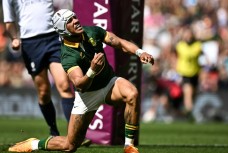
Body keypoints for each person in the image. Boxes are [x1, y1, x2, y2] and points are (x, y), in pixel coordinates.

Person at [8, 9, 154, 153]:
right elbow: (80, 85)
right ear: (63, 29)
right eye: (70, 21)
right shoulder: (67, 56)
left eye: (75, 17)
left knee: (132, 93)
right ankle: (33, 144)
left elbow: (120, 43)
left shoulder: (91, 31)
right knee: (70, 145)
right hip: (87, 96)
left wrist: (140, 52)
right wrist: (92, 71)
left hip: (109, 83)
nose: (76, 21)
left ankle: (129, 146)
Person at [2, 0, 74, 136]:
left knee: (64, 86)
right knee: (43, 92)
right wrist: (14, 38)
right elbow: (9, 21)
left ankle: (76, 133)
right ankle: (54, 131)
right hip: (31, 43)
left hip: (53, 38)